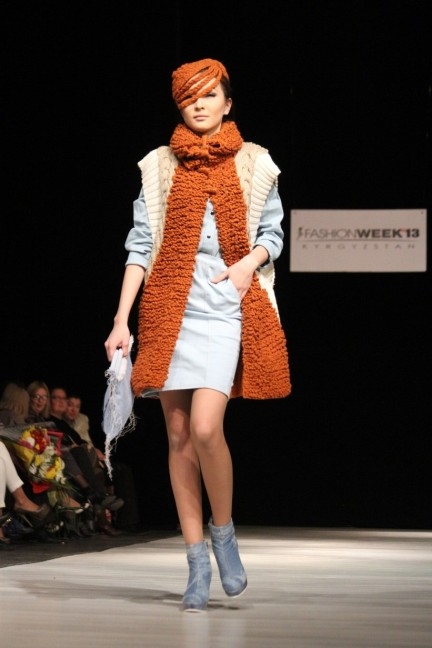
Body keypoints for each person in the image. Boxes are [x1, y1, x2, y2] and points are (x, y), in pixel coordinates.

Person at [104, 58, 291, 611]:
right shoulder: (159, 165)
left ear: (228, 103)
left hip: (225, 307)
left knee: (208, 427)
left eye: (210, 95)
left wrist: (247, 264)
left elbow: (273, 234)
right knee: (179, 435)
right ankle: (195, 561)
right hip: (170, 308)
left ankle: (223, 533)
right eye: (190, 97)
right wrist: (121, 320)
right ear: (179, 107)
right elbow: (141, 245)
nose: (200, 104)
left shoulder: (255, 162)